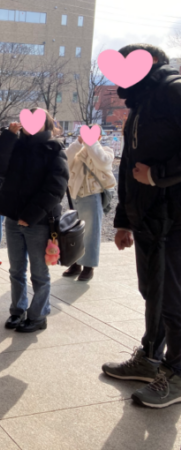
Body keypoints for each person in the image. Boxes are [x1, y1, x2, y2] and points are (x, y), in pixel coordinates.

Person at [101, 44, 181, 409]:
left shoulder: (172, 90)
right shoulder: (140, 104)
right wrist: (123, 221)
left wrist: (159, 175)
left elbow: (149, 170)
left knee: (173, 301)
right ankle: (150, 359)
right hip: (149, 219)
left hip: (174, 219)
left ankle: (176, 374)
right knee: (153, 293)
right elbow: (128, 166)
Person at [0, 109, 69, 333]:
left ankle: (38, 316)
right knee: (16, 270)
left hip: (38, 222)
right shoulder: (16, 145)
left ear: (46, 124)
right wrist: (8, 136)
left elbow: (55, 189)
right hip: (13, 218)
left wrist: (29, 216)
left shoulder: (54, 149)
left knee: (39, 273)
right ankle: (17, 310)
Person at [63, 130, 116, 281]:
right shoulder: (77, 150)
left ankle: (88, 267)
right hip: (74, 195)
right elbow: (65, 161)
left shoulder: (105, 150)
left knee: (91, 232)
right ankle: (75, 262)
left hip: (92, 194)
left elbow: (102, 162)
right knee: (73, 231)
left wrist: (91, 143)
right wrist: (78, 143)